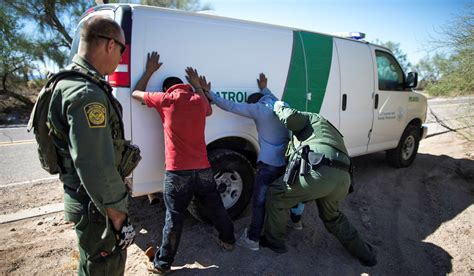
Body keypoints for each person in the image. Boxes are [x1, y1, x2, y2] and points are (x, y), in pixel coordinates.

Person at [131, 52, 235, 273]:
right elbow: (208, 109)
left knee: (174, 218)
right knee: (215, 206)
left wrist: (149, 71)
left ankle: (162, 264)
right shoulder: (199, 101)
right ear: (185, 86)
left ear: (167, 90)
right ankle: (228, 240)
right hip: (203, 168)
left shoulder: (165, 100)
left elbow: (135, 93)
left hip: (178, 172)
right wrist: (199, 87)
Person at [48, 16, 135, 275]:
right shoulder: (87, 94)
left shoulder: (66, 82)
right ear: (110, 45)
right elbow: (96, 164)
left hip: (85, 199)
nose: (121, 57)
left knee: (91, 263)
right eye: (122, 50)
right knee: (104, 266)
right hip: (97, 206)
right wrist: (118, 215)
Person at [260, 101, 377, 267]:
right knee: (333, 217)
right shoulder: (327, 129)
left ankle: (274, 241)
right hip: (344, 176)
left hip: (319, 170)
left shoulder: (310, 117)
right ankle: (366, 254)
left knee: (276, 194)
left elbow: (291, 118)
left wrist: (278, 106)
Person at [200, 73, 304, 250]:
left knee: (260, 201)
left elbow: (231, 106)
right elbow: (271, 97)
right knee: (290, 192)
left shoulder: (258, 109)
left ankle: (253, 238)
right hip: (288, 160)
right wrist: (264, 88)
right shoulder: (280, 105)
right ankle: (296, 222)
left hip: (270, 163)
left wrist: (210, 93)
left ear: (255, 103)